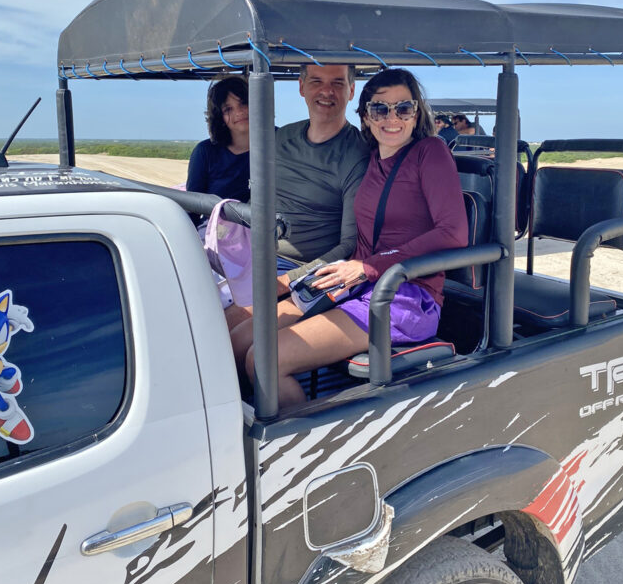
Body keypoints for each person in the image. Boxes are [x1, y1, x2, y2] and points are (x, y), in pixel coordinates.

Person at [232, 67, 469, 409]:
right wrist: (325, 277)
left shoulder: (429, 152)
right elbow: (362, 240)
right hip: (357, 281)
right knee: (241, 339)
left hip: (403, 294)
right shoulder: (372, 160)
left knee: (265, 359)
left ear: (416, 113)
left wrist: (368, 268)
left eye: (403, 108)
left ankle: (303, 450)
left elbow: (453, 232)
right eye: (380, 108)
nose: (392, 118)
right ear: (366, 116)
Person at [224, 63, 370, 327]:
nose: (327, 92)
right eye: (316, 81)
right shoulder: (283, 138)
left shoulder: (356, 154)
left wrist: (284, 282)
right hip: (255, 255)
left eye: (337, 83)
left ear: (351, 91)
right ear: (301, 87)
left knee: (221, 331)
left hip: (305, 269)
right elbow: (256, 202)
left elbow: (348, 246)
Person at [187, 76, 250, 201]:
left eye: (243, 103)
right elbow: (192, 207)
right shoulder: (205, 152)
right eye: (228, 109)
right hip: (217, 221)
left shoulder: (281, 142)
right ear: (219, 116)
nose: (239, 112)